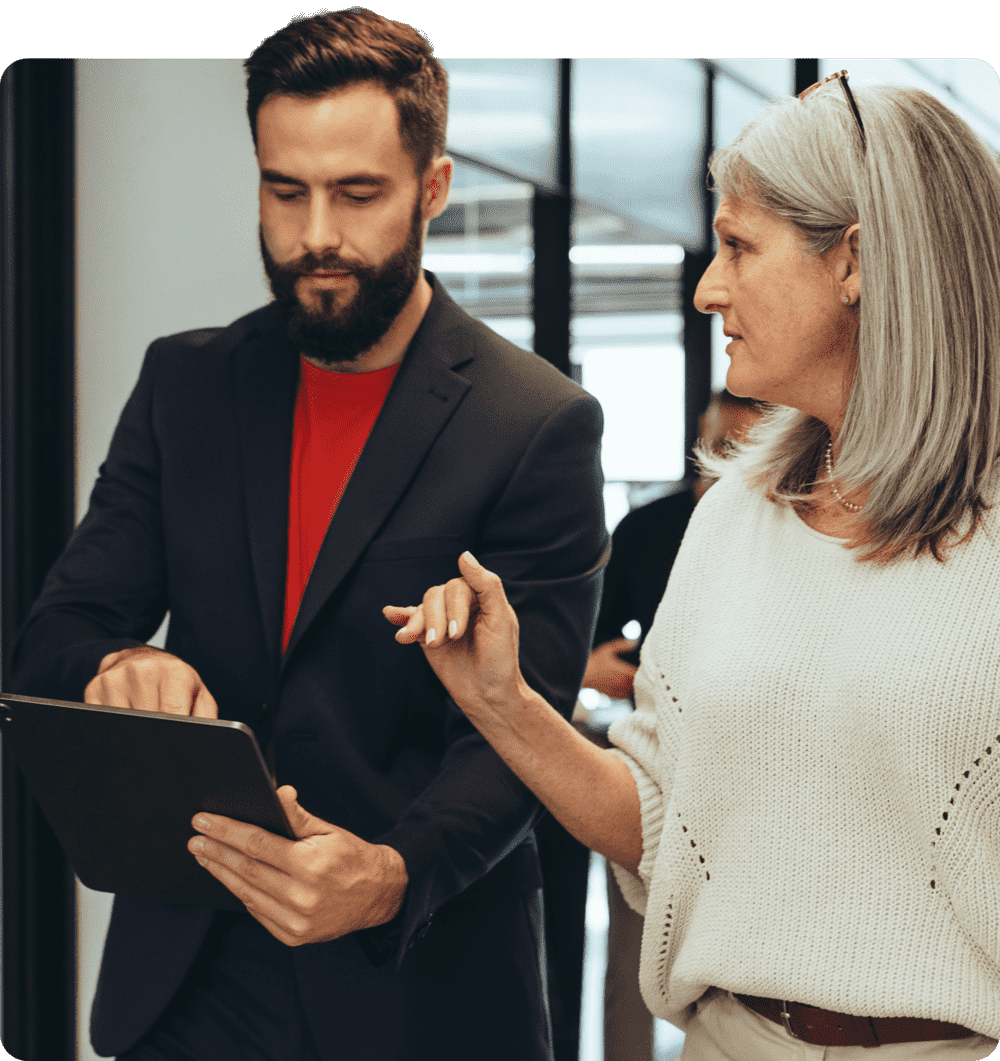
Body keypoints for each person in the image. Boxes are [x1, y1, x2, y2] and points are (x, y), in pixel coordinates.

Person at [11, 10, 608, 1061]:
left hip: (419, 985)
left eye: (357, 192)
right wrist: (119, 660)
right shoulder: (182, 383)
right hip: (188, 979)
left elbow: (523, 741)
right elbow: (60, 628)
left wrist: (387, 876)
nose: (316, 233)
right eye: (285, 190)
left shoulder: (535, 423)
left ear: (432, 187)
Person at [385, 75, 1000, 1060]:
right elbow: (665, 820)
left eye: (739, 246)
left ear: (854, 260)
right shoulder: (734, 518)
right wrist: (502, 699)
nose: (709, 287)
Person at [582, 390, 763, 1061]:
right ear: (701, 441)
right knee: (634, 954)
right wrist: (607, 666)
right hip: (657, 766)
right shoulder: (650, 528)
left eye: (751, 450)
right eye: (724, 450)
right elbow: (594, 645)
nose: (733, 468)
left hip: (754, 774)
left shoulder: (788, 528)